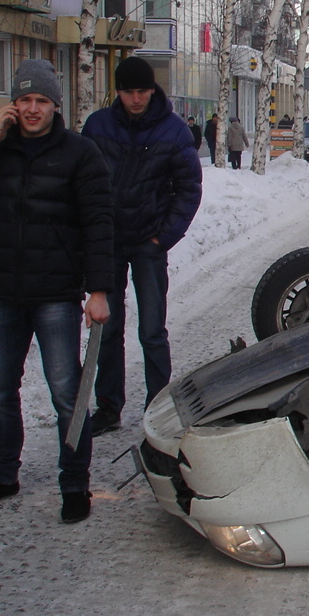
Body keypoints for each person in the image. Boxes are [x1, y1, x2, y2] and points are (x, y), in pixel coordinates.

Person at [0, 61, 113, 523]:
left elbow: (99, 224)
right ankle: (4, 471)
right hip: (2, 291)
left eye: (41, 101)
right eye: (24, 100)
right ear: (13, 104)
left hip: (55, 294)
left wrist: (98, 290)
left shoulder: (80, 154)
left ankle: (74, 482)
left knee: (67, 392)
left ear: (56, 106)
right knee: (0, 391)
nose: (32, 109)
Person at [81, 56, 201, 436]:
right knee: (108, 327)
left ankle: (158, 405)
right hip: (108, 243)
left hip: (148, 243)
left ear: (153, 90)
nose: (136, 99)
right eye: (129, 91)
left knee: (152, 329)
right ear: (118, 92)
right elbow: (81, 182)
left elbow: (188, 189)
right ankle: (108, 405)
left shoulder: (173, 131)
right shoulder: (98, 126)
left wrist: (162, 236)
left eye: (142, 91)